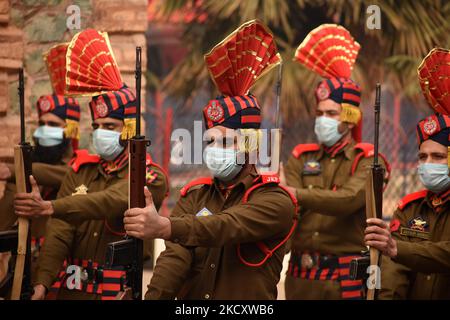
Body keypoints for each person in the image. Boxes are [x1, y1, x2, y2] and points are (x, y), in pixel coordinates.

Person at [123, 20, 297, 300]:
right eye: (210, 141)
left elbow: (226, 226)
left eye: (226, 141)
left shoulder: (274, 201)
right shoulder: (194, 196)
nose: (215, 149)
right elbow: (175, 259)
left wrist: (166, 227)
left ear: (250, 143)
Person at [13, 29, 168, 300]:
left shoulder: (150, 175)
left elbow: (111, 200)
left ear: (128, 128)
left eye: (109, 126)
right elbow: (61, 230)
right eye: (96, 126)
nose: (100, 132)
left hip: (116, 292)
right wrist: (42, 283)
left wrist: (51, 206)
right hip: (72, 291)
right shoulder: (81, 169)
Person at [281, 24, 390, 300]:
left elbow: (348, 199)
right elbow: (288, 207)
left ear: (350, 117)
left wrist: (296, 193)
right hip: (300, 278)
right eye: (319, 113)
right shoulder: (300, 156)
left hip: (343, 280)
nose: (322, 119)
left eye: (331, 113)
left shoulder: (368, 160)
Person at [365, 47, 450, 299]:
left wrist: (395, 247)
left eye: (438, 157)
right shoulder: (410, 209)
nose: (427, 164)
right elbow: (393, 270)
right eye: (423, 157)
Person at [0, 43, 81, 284]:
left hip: (64, 274)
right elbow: (4, 220)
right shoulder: (26, 171)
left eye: (53, 125)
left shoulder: (80, 167)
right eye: (42, 123)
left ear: (71, 130)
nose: (45, 130)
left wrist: (12, 170)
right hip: (24, 272)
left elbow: (60, 175)